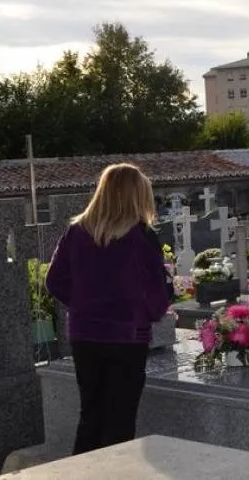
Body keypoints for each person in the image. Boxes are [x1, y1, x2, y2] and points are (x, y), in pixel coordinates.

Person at [45, 163, 172, 455]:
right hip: (126, 337)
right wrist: (153, 310)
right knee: (120, 419)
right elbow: (156, 294)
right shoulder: (141, 236)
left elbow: (54, 281)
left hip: (84, 334)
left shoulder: (76, 232)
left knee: (90, 415)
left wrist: (83, 305)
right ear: (136, 196)